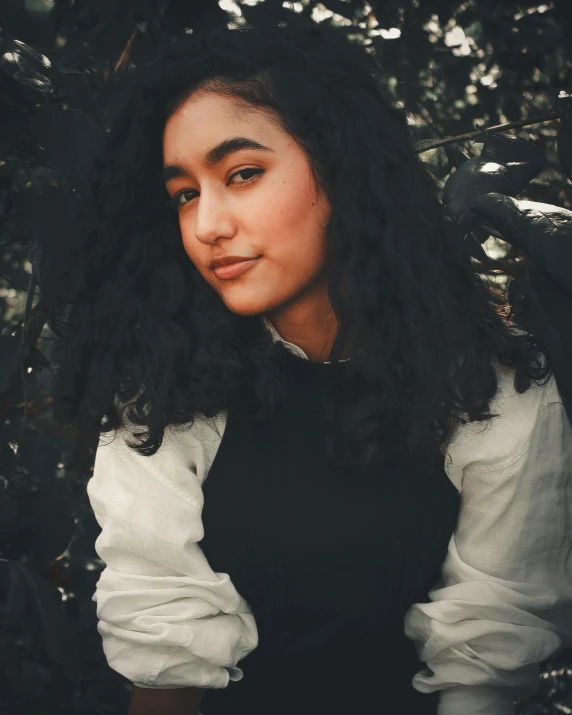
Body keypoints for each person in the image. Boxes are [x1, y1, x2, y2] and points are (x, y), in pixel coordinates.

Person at [59, 20, 572, 715]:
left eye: (242, 173)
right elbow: (162, 651)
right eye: (184, 192)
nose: (207, 223)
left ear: (342, 167)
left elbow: (486, 660)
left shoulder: (495, 388)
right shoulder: (169, 385)